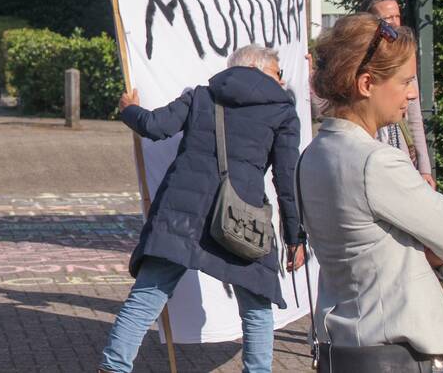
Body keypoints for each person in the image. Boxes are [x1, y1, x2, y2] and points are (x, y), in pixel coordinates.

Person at [99, 45, 306, 373]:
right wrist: (295, 235)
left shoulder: (201, 95)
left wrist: (129, 109)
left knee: (146, 297)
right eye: (279, 74)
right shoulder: (282, 112)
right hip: (241, 219)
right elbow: (287, 178)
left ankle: (113, 367)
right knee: (256, 309)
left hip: (181, 212)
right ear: (260, 69)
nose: (282, 81)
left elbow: (154, 126)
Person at [298, 14, 443, 372]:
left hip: (343, 350)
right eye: (405, 81)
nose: (413, 93)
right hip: (392, 354)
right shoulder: (376, 162)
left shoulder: (313, 155)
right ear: (367, 84)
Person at [360, 0, 435, 187]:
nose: (394, 22)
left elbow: (415, 117)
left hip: (400, 154)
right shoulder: (359, 59)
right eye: (387, 18)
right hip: (369, 156)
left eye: (397, 16)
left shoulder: (404, 57)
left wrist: (425, 169)